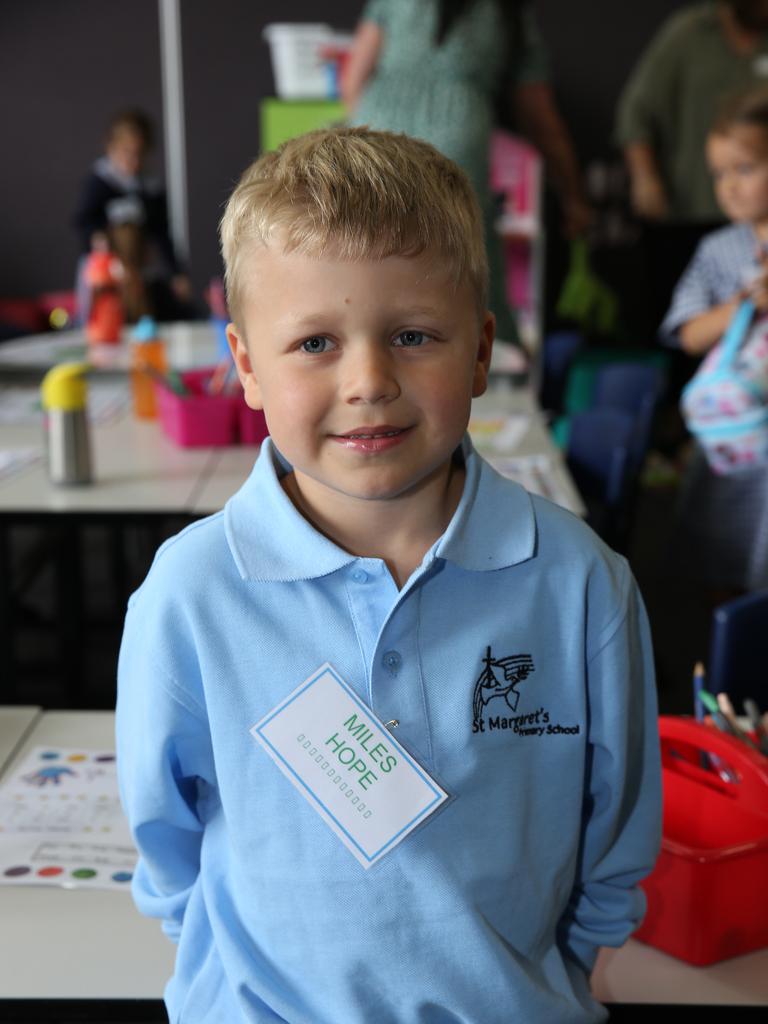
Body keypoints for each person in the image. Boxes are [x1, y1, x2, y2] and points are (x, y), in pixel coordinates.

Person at [116, 127, 661, 1024]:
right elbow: (166, 841)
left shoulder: (581, 584)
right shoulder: (190, 593)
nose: (369, 380)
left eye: (412, 335)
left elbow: (616, 829)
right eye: (315, 344)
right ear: (246, 365)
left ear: (481, 351)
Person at [342, 0, 590, 345]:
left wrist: (368, 127)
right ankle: (482, 359)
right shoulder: (505, 12)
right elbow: (538, 114)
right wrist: (574, 196)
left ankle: (374, 343)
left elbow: (353, 78)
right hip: (457, 130)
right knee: (464, 260)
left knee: (370, 250)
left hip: (376, 127)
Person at [661, 86, 768, 593]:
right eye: (719, 174)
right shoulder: (718, 249)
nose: (728, 187)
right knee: (721, 556)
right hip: (731, 435)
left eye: (744, 169)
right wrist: (745, 307)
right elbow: (687, 333)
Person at [617, 1, 768, 334]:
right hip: (687, 213)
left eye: (743, 170)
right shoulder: (688, 33)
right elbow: (636, 112)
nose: (729, 183)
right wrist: (645, 178)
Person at [73, 109, 195, 322]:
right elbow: (83, 222)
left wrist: (177, 273)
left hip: (137, 272)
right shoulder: (99, 183)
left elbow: (162, 234)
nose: (133, 160)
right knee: (100, 320)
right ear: (111, 148)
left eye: (138, 153)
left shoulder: (150, 189)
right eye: (126, 152)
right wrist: (98, 240)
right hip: (104, 271)